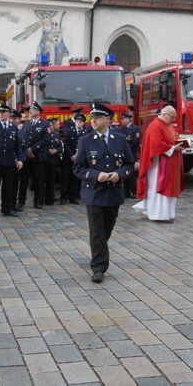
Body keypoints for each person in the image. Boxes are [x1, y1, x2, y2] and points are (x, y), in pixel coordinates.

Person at [73, 103, 133, 283]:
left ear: (108, 119)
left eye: (98, 117)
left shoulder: (120, 139)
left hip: (114, 193)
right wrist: (95, 175)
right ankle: (98, 267)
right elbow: (78, 168)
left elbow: (129, 164)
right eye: (92, 117)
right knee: (97, 232)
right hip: (94, 193)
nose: (93, 121)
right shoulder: (85, 140)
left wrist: (119, 174)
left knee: (106, 229)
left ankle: (98, 252)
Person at [133, 106, 185, 222]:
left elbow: (172, 139)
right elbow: (156, 144)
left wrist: (180, 142)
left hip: (170, 164)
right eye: (172, 117)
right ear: (164, 114)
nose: (174, 120)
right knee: (159, 187)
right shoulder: (155, 126)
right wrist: (173, 148)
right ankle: (158, 215)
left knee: (169, 188)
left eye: (175, 117)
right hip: (158, 166)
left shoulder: (168, 125)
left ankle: (168, 214)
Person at [0, 103, 24, 219]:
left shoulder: (13, 127)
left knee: (8, 186)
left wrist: (20, 159)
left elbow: (17, 146)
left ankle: (7, 208)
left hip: (9, 162)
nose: (1, 114)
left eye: (3, 112)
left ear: (8, 113)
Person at [18, 101, 49, 209]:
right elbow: (22, 138)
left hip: (39, 156)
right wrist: (27, 150)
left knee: (39, 180)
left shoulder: (45, 124)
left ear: (39, 112)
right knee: (24, 179)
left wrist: (33, 149)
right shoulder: (27, 124)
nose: (31, 111)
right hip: (27, 156)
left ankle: (38, 202)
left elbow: (45, 140)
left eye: (33, 109)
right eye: (30, 110)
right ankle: (21, 202)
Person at [61, 113, 87, 205]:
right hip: (69, 158)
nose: (78, 123)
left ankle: (74, 197)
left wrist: (79, 155)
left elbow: (86, 146)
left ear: (83, 123)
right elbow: (66, 144)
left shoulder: (85, 133)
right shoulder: (69, 131)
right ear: (75, 122)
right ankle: (63, 197)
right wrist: (71, 155)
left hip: (79, 158)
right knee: (65, 178)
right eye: (77, 121)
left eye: (80, 121)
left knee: (75, 178)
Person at [115, 112, 140, 198]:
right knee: (124, 173)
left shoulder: (135, 128)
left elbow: (135, 142)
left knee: (131, 174)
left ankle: (134, 192)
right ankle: (126, 192)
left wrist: (126, 150)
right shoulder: (122, 129)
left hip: (131, 155)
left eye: (123, 119)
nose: (122, 121)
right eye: (121, 119)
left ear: (128, 119)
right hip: (123, 155)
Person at [44, 119, 63, 206]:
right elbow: (41, 146)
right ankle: (42, 198)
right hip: (45, 161)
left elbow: (60, 147)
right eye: (49, 126)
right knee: (43, 181)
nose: (51, 127)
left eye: (52, 126)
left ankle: (50, 199)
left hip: (53, 161)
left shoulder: (56, 135)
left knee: (52, 181)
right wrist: (48, 150)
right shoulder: (43, 135)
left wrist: (56, 150)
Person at [10, 109, 26, 211]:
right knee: (9, 184)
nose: (13, 120)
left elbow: (24, 148)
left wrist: (21, 159)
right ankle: (8, 205)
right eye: (11, 118)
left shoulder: (23, 132)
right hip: (10, 161)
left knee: (17, 184)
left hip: (19, 162)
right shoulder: (7, 130)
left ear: (19, 119)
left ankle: (14, 204)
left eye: (15, 118)